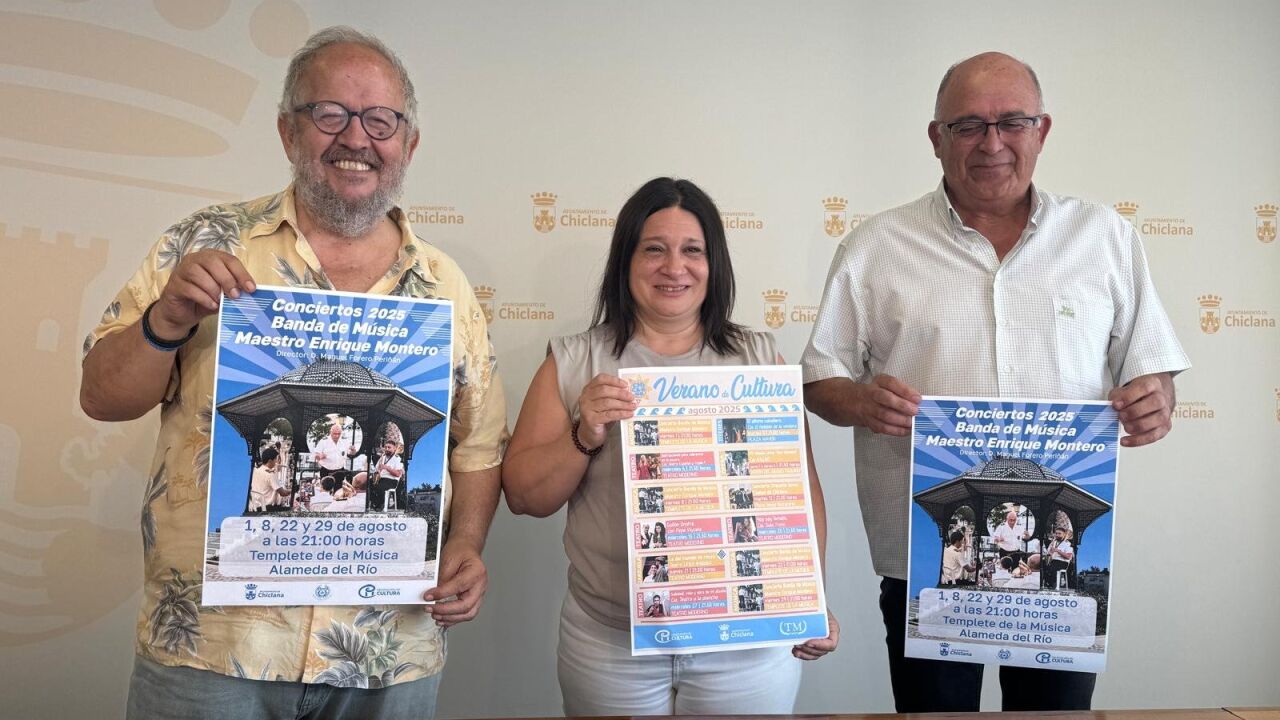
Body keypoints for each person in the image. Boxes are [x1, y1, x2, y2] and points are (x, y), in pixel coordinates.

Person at [79, 27, 506, 719]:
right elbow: (101, 396)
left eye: (381, 120)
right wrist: (167, 318)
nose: (356, 138)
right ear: (287, 130)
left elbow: (478, 445)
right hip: (214, 647)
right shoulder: (204, 243)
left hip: (387, 648)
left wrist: (464, 544)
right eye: (329, 114)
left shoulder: (445, 285)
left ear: (409, 144)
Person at [801, 51, 1190, 713]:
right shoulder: (875, 245)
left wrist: (1157, 397)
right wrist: (862, 401)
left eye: (1012, 122)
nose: (992, 143)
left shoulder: (1103, 237)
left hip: (1061, 571)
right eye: (968, 126)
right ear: (936, 138)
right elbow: (820, 380)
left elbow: (1150, 366)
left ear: (1042, 130)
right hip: (928, 559)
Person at [502, 177, 838, 715]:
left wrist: (810, 596)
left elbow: (801, 491)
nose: (674, 267)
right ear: (626, 260)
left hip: (745, 640)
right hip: (611, 641)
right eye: (654, 249)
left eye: (692, 250)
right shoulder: (574, 360)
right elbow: (524, 497)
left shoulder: (759, 357)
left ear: (714, 263)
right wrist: (583, 434)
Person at [247, 448, 289, 512]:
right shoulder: (270, 475)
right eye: (275, 459)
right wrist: (292, 491)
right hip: (268, 508)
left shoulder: (255, 471)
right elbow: (283, 493)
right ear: (270, 461)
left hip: (255, 507)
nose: (276, 462)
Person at [371, 440, 405, 511]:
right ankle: (375, 504)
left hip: (391, 480)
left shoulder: (398, 459)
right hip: (381, 479)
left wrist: (387, 468)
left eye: (389, 447)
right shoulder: (382, 457)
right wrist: (376, 473)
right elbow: (375, 469)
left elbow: (398, 474)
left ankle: (380, 505)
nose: (386, 449)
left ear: (394, 448)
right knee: (367, 485)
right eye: (385, 447)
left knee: (380, 487)